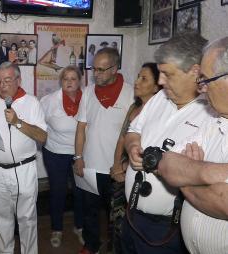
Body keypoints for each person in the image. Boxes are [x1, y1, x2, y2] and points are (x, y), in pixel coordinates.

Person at [122, 33, 214, 254]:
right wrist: (133, 147)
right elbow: (133, 130)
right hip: (132, 216)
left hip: (168, 229)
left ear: (194, 72)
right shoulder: (161, 97)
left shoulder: (212, 113)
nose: (160, 81)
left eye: (167, 74)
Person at [157, 36, 228, 254]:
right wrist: (210, 173)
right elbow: (167, 163)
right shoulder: (217, 120)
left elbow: (223, 201)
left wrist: (188, 175)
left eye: (206, 80)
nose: (202, 89)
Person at [0, 62, 47, 254]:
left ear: (18, 80)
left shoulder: (32, 102)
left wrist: (18, 122)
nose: (2, 85)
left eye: (7, 80)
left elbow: (43, 137)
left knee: (27, 219)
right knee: (1, 218)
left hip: (24, 169)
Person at [74, 47, 134, 254]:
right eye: (94, 69)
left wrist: (125, 164)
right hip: (90, 165)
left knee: (116, 215)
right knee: (89, 211)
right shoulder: (89, 91)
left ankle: (115, 248)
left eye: (101, 69)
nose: (95, 74)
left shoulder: (131, 93)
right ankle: (91, 245)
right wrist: (78, 157)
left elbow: (135, 133)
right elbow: (81, 127)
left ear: (115, 68)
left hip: (115, 169)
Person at [109, 62, 161, 254]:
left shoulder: (161, 113)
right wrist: (116, 167)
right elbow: (123, 138)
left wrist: (127, 167)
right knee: (118, 228)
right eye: (138, 76)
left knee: (135, 232)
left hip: (141, 178)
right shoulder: (134, 107)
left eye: (144, 78)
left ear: (157, 86)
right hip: (122, 174)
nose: (137, 82)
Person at [40, 65, 85, 248]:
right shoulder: (49, 101)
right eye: (66, 78)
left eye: (73, 78)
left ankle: (80, 227)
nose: (69, 82)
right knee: (57, 193)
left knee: (80, 192)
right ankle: (56, 229)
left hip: (79, 154)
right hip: (55, 154)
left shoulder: (88, 99)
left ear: (79, 81)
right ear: (61, 81)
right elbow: (38, 125)